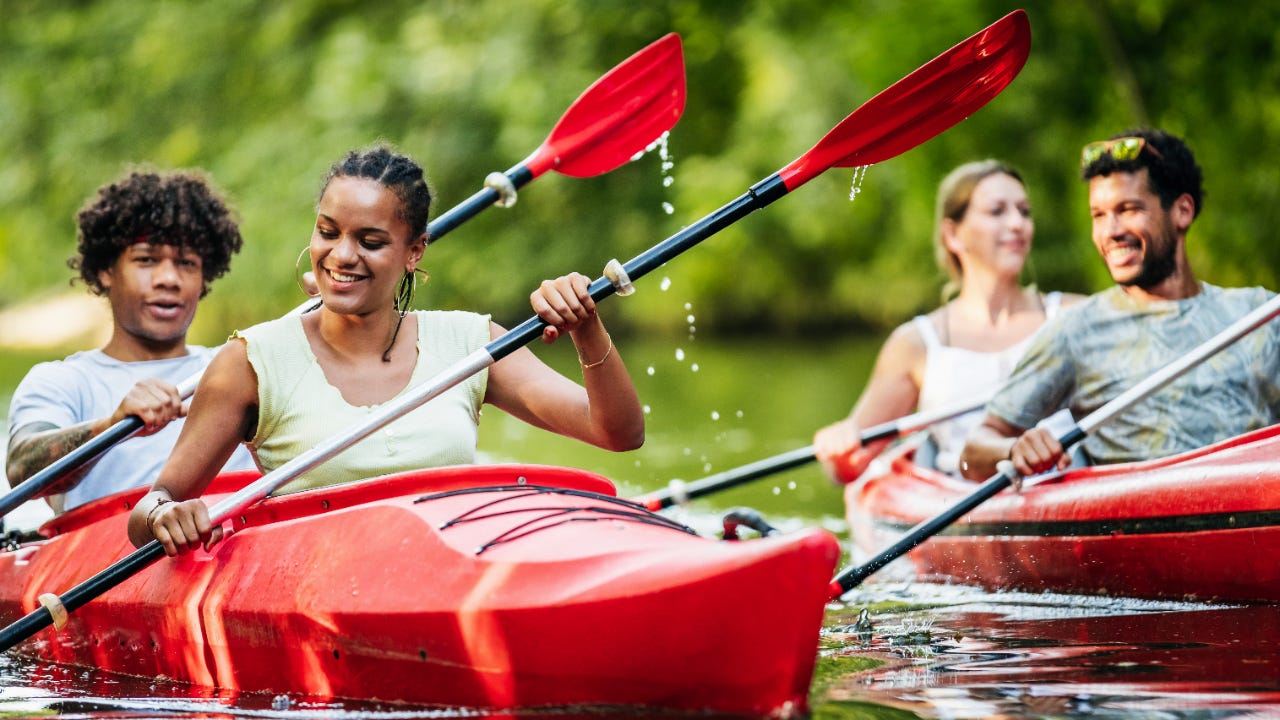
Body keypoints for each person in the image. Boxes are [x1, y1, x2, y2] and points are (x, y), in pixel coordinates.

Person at [127, 143, 645, 553]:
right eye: (328, 232)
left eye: (370, 242)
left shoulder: (471, 343)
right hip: (321, 582)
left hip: (453, 566)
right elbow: (151, 507)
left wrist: (587, 328)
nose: (341, 255)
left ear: (414, 251)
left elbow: (616, 432)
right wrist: (164, 516)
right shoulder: (250, 362)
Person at [959, 128, 1280, 481]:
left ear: (1182, 212)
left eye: (1128, 209)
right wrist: (1013, 449)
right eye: (1098, 215)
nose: (1110, 231)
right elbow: (974, 452)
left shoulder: (1259, 314)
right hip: (1138, 528)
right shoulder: (1077, 330)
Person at [6, 170, 256, 514]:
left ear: (203, 278)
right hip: (108, 561)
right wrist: (112, 425)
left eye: (186, 263)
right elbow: (22, 469)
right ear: (106, 270)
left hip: (235, 552)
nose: (168, 278)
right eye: (146, 260)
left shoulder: (243, 367)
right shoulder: (61, 382)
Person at [813, 160, 1080, 480]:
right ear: (953, 234)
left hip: (1066, 483)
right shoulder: (916, 344)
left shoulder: (1072, 315)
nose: (1017, 224)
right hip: (964, 496)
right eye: (997, 211)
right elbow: (847, 468)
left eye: (1024, 211)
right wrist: (837, 444)